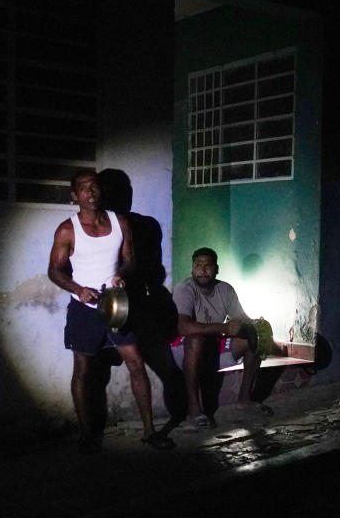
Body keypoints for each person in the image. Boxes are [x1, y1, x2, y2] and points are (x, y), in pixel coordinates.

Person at [47, 170, 174, 452]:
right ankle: (86, 435)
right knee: (84, 370)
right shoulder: (67, 230)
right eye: (83, 188)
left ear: (101, 191)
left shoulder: (121, 223)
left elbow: (130, 260)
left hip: (118, 305)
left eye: (94, 187)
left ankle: (150, 431)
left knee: (136, 363)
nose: (90, 192)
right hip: (84, 308)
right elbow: (54, 271)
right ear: (74, 196)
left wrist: (122, 275)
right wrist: (77, 289)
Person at [170, 247, 272, 428]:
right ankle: (194, 410)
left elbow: (241, 319)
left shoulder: (225, 289)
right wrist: (224, 327)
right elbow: (183, 327)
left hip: (213, 347)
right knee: (196, 338)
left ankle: (244, 400)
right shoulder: (184, 288)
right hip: (183, 350)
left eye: (207, 265)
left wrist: (253, 326)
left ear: (216, 269)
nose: (202, 269)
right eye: (198, 265)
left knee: (254, 336)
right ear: (192, 269)